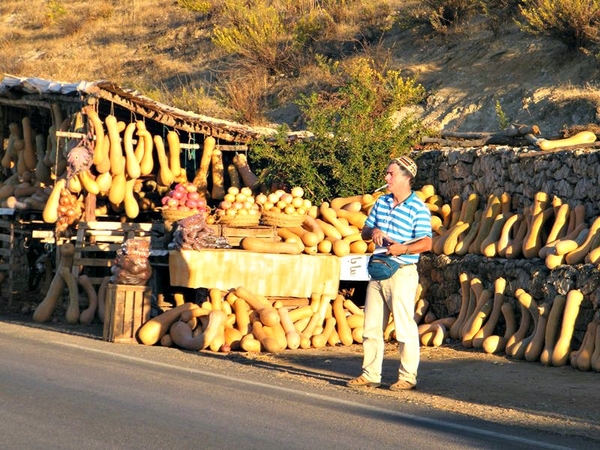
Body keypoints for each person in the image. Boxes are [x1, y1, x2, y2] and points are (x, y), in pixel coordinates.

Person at [347, 155, 432, 391]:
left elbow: (426, 243)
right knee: (371, 327)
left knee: (404, 327)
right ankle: (370, 374)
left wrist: (403, 248)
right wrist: (373, 230)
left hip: (402, 272)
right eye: (387, 173)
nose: (386, 178)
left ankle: (407, 377)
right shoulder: (381, 202)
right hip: (378, 269)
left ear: (406, 177)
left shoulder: (418, 209)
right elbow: (364, 232)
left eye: (391, 174)